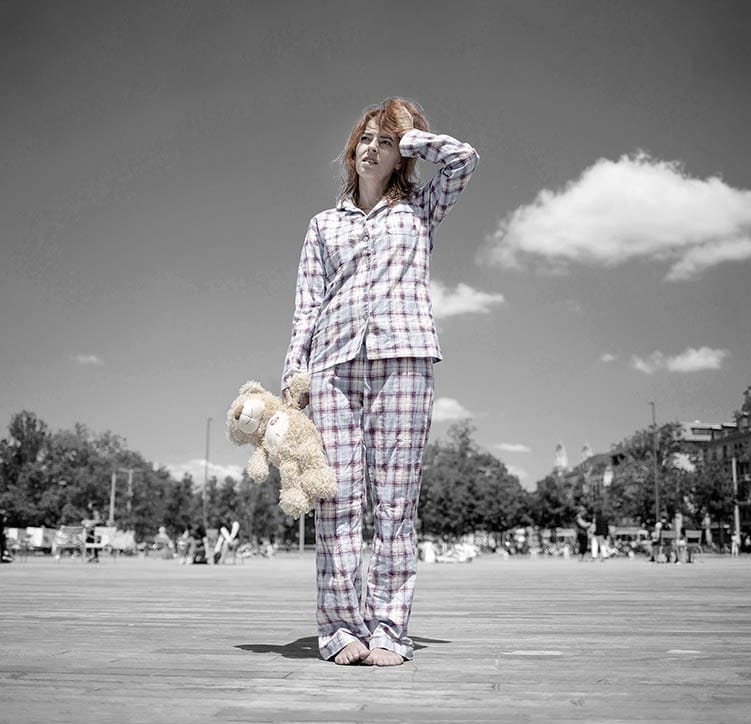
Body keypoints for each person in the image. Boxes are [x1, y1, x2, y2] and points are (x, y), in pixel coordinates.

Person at [272, 98, 477, 666]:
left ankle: (389, 629)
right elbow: (306, 305)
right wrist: (294, 372)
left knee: (395, 504)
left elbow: (463, 160)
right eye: (365, 138)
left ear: (401, 155)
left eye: (384, 143)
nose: (371, 149)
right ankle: (341, 628)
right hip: (333, 366)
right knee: (335, 501)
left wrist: (411, 137)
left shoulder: (420, 209)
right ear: (351, 149)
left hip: (405, 359)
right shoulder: (323, 225)